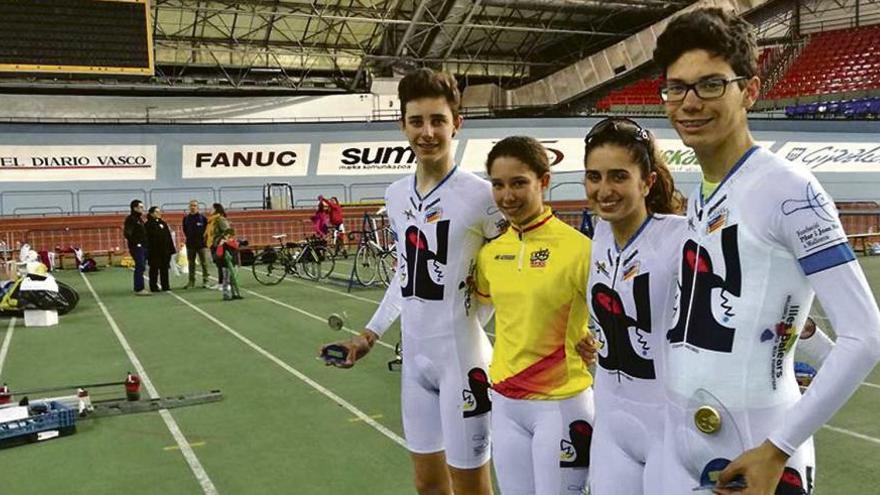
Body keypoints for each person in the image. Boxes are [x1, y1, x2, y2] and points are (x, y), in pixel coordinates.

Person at [653, 8, 880, 494]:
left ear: (750, 91)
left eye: (711, 85)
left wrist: (778, 447)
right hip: (682, 441)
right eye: (677, 87)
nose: (690, 103)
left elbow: (865, 334)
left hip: (757, 446)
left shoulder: (788, 187)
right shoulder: (704, 191)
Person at [319, 68, 505, 495]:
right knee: (427, 486)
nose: (427, 132)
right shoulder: (396, 195)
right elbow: (407, 273)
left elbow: (507, 272)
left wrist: (474, 316)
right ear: (402, 124)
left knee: (472, 488)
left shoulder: (481, 197)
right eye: (417, 121)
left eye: (438, 120)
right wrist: (369, 335)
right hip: (415, 362)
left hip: (464, 361)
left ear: (457, 123)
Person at [474, 136, 595, 495]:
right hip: (506, 405)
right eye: (498, 185)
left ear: (544, 181)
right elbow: (476, 318)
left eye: (519, 183)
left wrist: (598, 343)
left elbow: (620, 317)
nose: (507, 196)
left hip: (561, 405)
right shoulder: (491, 254)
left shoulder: (580, 249)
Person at [579, 117, 686, 495]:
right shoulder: (601, 233)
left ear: (648, 182)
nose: (604, 189)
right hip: (610, 421)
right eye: (594, 176)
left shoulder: (681, 237)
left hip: (670, 427)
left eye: (618, 176)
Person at [145, 206, 175, 292]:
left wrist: (171, 249)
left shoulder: (163, 223)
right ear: (151, 213)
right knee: (154, 269)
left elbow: (168, 237)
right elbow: (147, 239)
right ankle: (153, 286)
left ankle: (165, 285)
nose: (159, 213)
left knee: (165, 269)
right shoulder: (148, 225)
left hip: (165, 251)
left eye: (159, 211)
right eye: (156, 212)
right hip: (154, 252)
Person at [123, 199, 150, 296]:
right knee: (140, 266)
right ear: (135, 208)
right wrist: (136, 242)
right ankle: (139, 288)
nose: (143, 209)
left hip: (143, 246)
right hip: (137, 247)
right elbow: (127, 233)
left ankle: (139, 287)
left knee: (142, 266)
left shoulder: (140, 219)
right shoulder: (131, 219)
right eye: (141, 207)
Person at [182, 200, 211, 289]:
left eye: (194, 205)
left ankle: (206, 281)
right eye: (191, 205)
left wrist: (205, 241)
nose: (193, 207)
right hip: (190, 244)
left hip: (201, 244)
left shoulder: (203, 218)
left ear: (197, 207)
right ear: (189, 207)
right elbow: (185, 230)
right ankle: (191, 281)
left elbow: (207, 231)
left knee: (204, 263)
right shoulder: (186, 219)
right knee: (191, 264)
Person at [205, 203, 230, 289]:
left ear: (216, 209)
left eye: (211, 208)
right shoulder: (212, 220)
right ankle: (220, 282)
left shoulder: (220, 219)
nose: (209, 209)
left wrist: (222, 240)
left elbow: (227, 231)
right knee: (218, 264)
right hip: (213, 244)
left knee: (223, 264)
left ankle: (227, 283)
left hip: (220, 244)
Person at [216, 228, 243, 301]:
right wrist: (221, 245)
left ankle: (234, 294)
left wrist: (238, 262)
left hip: (233, 262)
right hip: (225, 264)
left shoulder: (232, 241)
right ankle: (226, 295)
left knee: (233, 279)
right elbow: (219, 253)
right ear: (227, 235)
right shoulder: (220, 241)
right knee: (226, 280)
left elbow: (236, 247)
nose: (232, 238)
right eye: (230, 236)